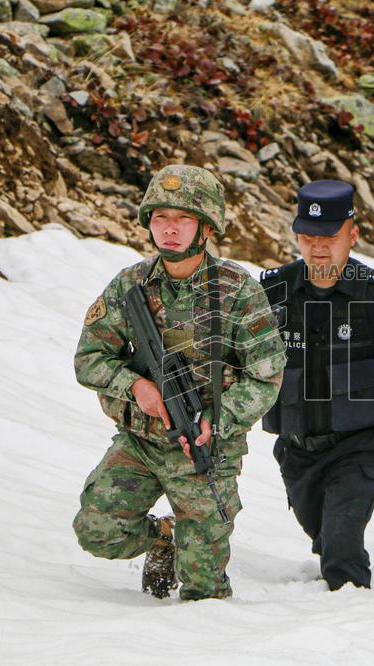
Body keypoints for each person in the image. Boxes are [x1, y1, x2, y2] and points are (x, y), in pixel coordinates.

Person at [72, 165, 285, 601]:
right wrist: (135, 387)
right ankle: (163, 537)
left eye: (183, 219)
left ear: (206, 227)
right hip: (142, 440)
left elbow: (267, 374)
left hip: (206, 447)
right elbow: (89, 359)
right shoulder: (130, 284)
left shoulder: (236, 289)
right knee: (98, 531)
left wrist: (217, 422)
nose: (169, 229)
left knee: (204, 587)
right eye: (160, 218)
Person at [259, 179, 374, 591]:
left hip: (359, 446)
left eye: (329, 236)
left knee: (342, 552)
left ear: (353, 234)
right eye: (308, 236)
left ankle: (351, 631)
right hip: (297, 452)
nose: (317, 247)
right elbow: (237, 364)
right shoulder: (271, 291)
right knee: (326, 537)